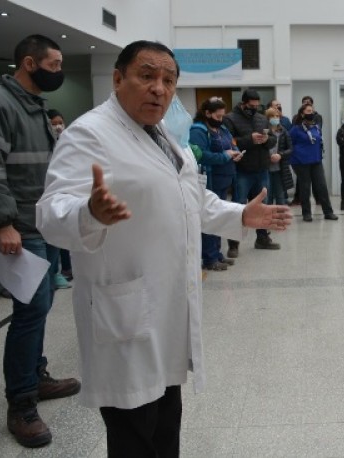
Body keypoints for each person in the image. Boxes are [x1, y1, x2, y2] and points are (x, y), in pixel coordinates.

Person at [36, 40, 292, 456]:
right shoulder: (89, 134)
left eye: (168, 80)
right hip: (126, 316)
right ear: (118, 78)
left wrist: (240, 215)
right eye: (147, 76)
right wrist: (90, 213)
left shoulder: (162, 137)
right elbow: (50, 213)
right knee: (134, 435)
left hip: (166, 312)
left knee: (164, 424)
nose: (159, 88)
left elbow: (190, 198)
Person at [0, 34, 80, 448]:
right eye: (53, 65)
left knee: (43, 304)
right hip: (20, 226)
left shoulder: (35, 108)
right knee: (30, 313)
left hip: (44, 224)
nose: (59, 72)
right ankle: (21, 403)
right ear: (29, 63)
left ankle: (36, 375)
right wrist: (2, 224)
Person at [223, 89, 281, 250]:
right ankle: (233, 244)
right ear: (243, 103)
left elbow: (272, 139)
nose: (254, 108)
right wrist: (249, 140)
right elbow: (229, 142)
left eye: (257, 105)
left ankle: (262, 238)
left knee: (263, 205)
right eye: (251, 106)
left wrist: (265, 140)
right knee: (238, 207)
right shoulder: (230, 119)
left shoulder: (262, 118)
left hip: (262, 169)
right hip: (242, 171)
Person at [190, 97, 239, 271]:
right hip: (210, 179)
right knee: (210, 217)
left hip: (225, 177)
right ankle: (209, 258)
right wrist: (225, 156)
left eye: (222, 116)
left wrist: (236, 152)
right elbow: (201, 155)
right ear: (207, 113)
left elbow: (232, 143)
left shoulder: (222, 128)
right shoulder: (198, 131)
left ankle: (217, 254)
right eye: (217, 117)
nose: (220, 120)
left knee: (219, 218)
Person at [290, 103, 338, 222]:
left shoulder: (316, 127)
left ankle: (328, 212)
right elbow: (289, 144)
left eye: (312, 111)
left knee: (321, 186)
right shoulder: (295, 129)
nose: (311, 113)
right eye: (308, 111)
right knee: (305, 188)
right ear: (302, 114)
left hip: (316, 161)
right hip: (301, 162)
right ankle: (306, 213)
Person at [46, 108, 74, 289]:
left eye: (59, 122)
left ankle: (67, 269)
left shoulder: (69, 139)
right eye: (53, 123)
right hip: (50, 196)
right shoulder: (46, 143)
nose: (57, 126)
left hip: (67, 194)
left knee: (65, 238)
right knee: (54, 238)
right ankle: (55, 273)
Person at [265, 107, 293, 206]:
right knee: (267, 197)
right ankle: (267, 220)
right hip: (266, 169)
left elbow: (290, 149)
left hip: (280, 169)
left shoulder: (283, 131)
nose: (275, 118)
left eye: (277, 116)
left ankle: (280, 219)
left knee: (280, 197)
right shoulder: (264, 131)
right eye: (272, 116)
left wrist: (280, 155)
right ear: (268, 118)